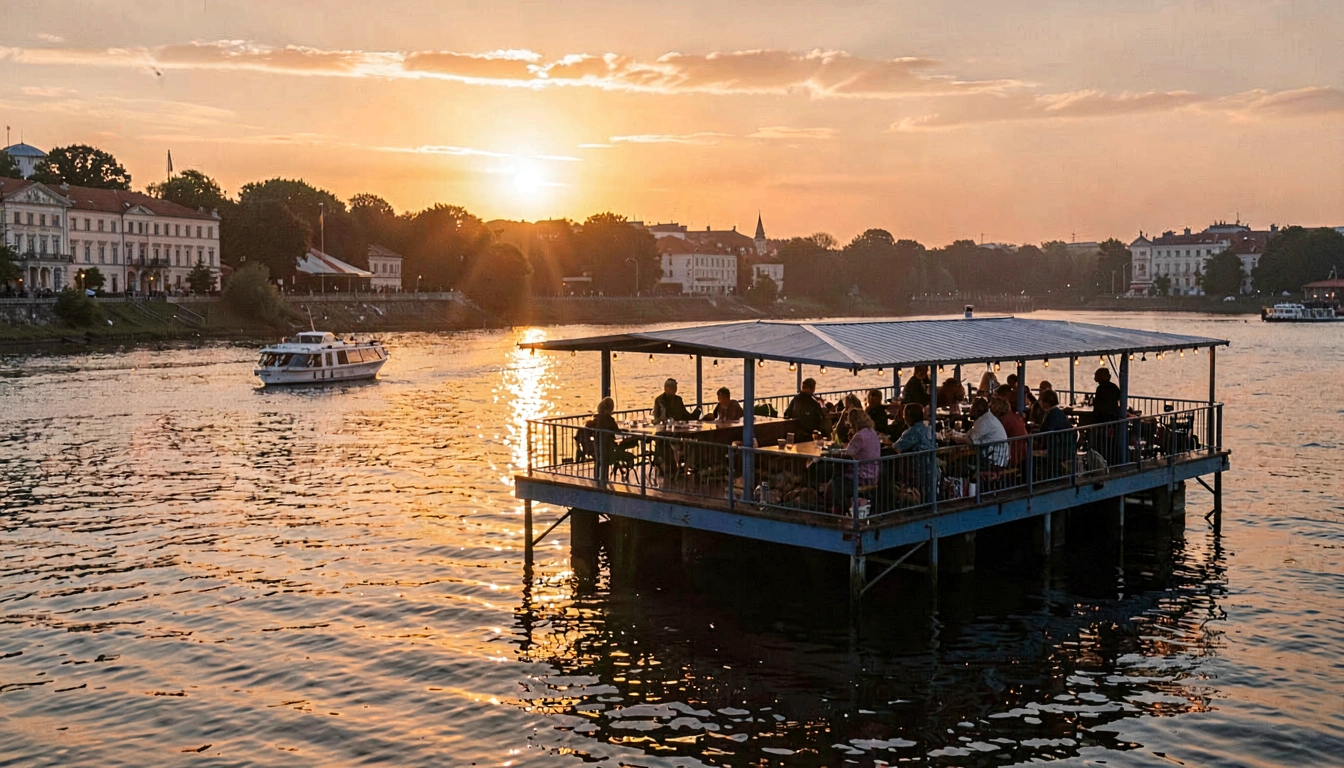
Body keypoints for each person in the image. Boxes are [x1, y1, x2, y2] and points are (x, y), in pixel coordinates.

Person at [949, 397, 1008, 468]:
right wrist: (955, 433)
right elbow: (969, 435)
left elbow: (970, 441)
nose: (970, 411)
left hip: (993, 459)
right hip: (997, 457)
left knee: (958, 461)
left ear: (977, 411)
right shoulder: (987, 418)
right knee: (961, 458)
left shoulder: (984, 421)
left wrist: (953, 437)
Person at [1034, 389, 1074, 480]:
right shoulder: (1057, 412)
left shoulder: (1053, 414)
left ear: (1046, 403)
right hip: (1063, 445)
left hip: (1058, 447)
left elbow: (1047, 429)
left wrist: (1037, 430)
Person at [990, 397, 1029, 466]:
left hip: (1009, 455)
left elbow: (996, 437)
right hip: (1021, 453)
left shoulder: (1002, 421)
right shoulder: (1016, 417)